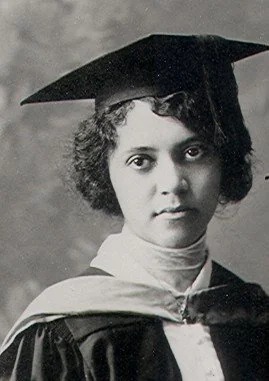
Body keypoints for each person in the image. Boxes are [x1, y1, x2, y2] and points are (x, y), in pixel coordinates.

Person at [0, 34, 268, 380]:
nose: (172, 183)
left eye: (193, 152)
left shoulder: (251, 316)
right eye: (141, 160)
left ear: (224, 160)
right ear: (105, 172)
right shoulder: (65, 332)